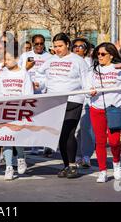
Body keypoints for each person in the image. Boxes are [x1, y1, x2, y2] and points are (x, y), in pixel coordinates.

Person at [36, 33, 89, 179]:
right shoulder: (50, 60)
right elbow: (41, 77)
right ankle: (67, 165)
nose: (57, 49)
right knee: (60, 135)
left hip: (73, 100)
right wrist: (38, 84)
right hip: (54, 100)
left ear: (67, 45)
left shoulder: (78, 61)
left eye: (60, 46)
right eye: (55, 46)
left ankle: (72, 165)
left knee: (68, 132)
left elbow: (87, 81)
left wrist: (90, 93)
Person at [88, 42, 121, 183]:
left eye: (103, 54)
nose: (100, 56)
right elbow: (86, 88)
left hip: (114, 109)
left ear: (111, 55)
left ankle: (116, 164)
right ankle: (102, 170)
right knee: (99, 141)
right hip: (96, 108)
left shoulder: (119, 68)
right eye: (98, 54)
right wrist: (90, 93)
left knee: (115, 141)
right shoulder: (93, 70)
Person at [0, 41, 33, 181]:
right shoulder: (2, 74)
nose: (6, 62)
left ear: (16, 59)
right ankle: (9, 167)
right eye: (4, 59)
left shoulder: (24, 74)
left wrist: (24, 108)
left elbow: (28, 93)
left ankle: (21, 157)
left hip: (19, 111)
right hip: (6, 111)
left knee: (17, 138)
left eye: (9, 59)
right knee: (7, 139)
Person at [72, 37, 94, 168]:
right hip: (73, 99)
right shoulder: (70, 61)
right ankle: (76, 155)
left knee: (86, 129)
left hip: (87, 100)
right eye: (75, 46)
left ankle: (86, 156)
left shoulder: (91, 62)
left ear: (86, 49)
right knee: (75, 130)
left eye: (81, 46)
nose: (77, 49)